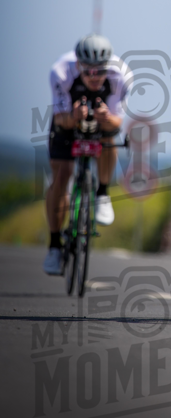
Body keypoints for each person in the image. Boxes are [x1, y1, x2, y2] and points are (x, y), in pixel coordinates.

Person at [43, 34, 132, 275]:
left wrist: (104, 118)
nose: (95, 77)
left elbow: (116, 123)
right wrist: (73, 117)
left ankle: (102, 193)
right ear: (78, 65)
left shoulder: (121, 75)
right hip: (68, 121)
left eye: (100, 71)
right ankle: (54, 245)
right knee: (61, 175)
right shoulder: (60, 72)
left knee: (108, 137)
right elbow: (60, 119)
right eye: (88, 71)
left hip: (100, 123)